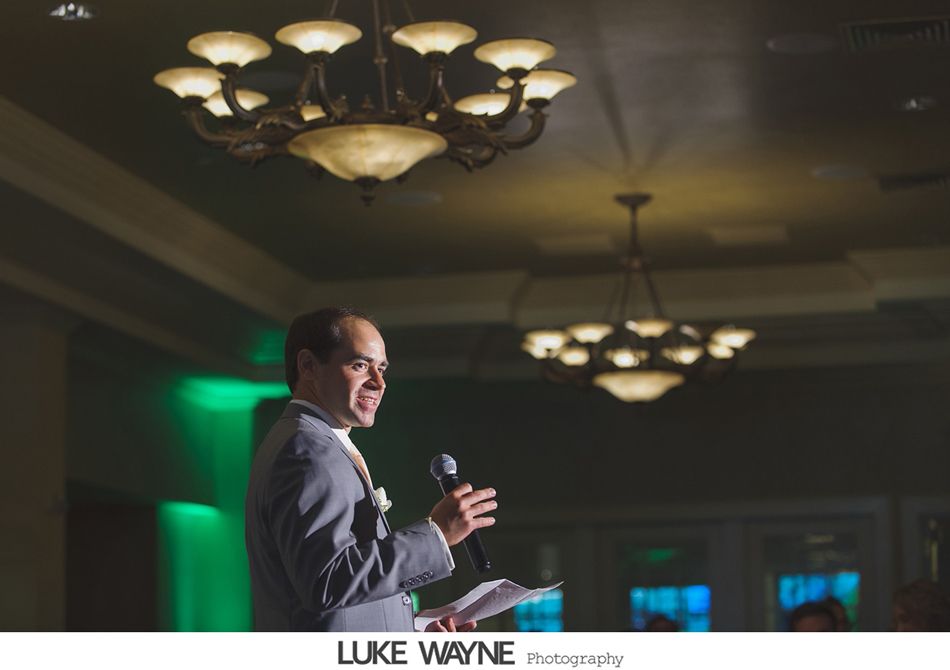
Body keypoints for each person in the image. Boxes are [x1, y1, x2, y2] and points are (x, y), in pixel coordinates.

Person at [245, 308, 498, 631]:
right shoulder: (306, 449)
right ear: (308, 366)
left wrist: (409, 634)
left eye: (381, 369)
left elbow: (340, 594)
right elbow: (327, 580)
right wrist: (436, 535)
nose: (379, 383)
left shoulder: (314, 441)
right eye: (360, 365)